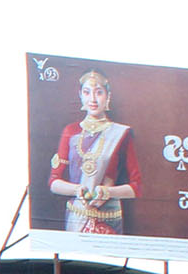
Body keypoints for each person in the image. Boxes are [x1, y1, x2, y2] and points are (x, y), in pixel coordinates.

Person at [47, 68, 141, 235]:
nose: (93, 99)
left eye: (98, 93)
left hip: (108, 218)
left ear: (108, 96)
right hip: (77, 216)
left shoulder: (121, 133)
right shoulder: (71, 131)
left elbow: (136, 187)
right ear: (80, 95)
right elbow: (54, 182)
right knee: (73, 261)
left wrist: (108, 192)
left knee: (106, 262)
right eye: (87, 92)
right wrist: (77, 190)